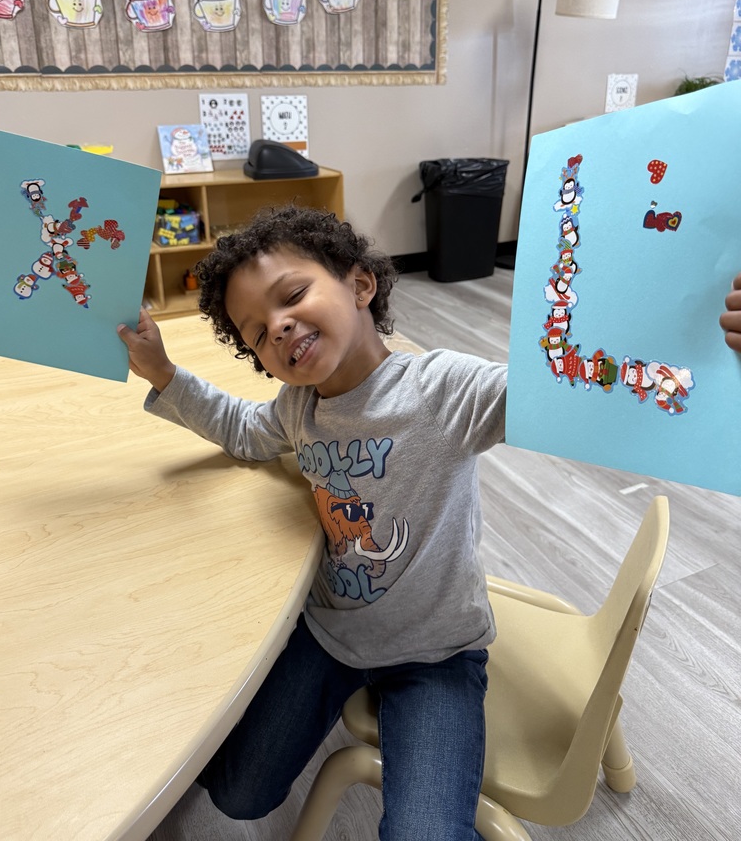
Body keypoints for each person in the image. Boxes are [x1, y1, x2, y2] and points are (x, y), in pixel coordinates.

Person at [117, 207, 741, 841]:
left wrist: (705, 340)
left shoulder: (442, 390)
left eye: (293, 295)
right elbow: (245, 431)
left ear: (361, 286)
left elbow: (568, 389)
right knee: (238, 793)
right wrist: (163, 373)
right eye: (255, 333)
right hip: (331, 637)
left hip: (437, 655)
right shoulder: (298, 406)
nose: (276, 327)